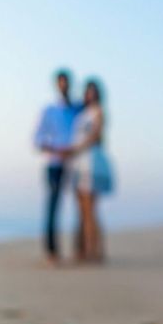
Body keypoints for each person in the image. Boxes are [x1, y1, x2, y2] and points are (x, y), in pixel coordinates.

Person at [62, 79, 114, 263]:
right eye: (87, 91)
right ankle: (86, 250)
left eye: (93, 91)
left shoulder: (97, 111)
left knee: (89, 209)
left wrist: (75, 149)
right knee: (82, 210)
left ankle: (95, 252)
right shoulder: (82, 113)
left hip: (90, 162)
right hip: (78, 163)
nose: (90, 94)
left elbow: (95, 135)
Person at [33, 70, 81, 266]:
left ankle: (81, 249)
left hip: (78, 165)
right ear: (56, 85)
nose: (63, 86)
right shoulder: (49, 111)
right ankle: (51, 251)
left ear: (70, 84)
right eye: (60, 83)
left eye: (66, 82)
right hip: (54, 165)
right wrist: (57, 150)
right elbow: (37, 140)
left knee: (82, 206)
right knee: (53, 207)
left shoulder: (78, 109)